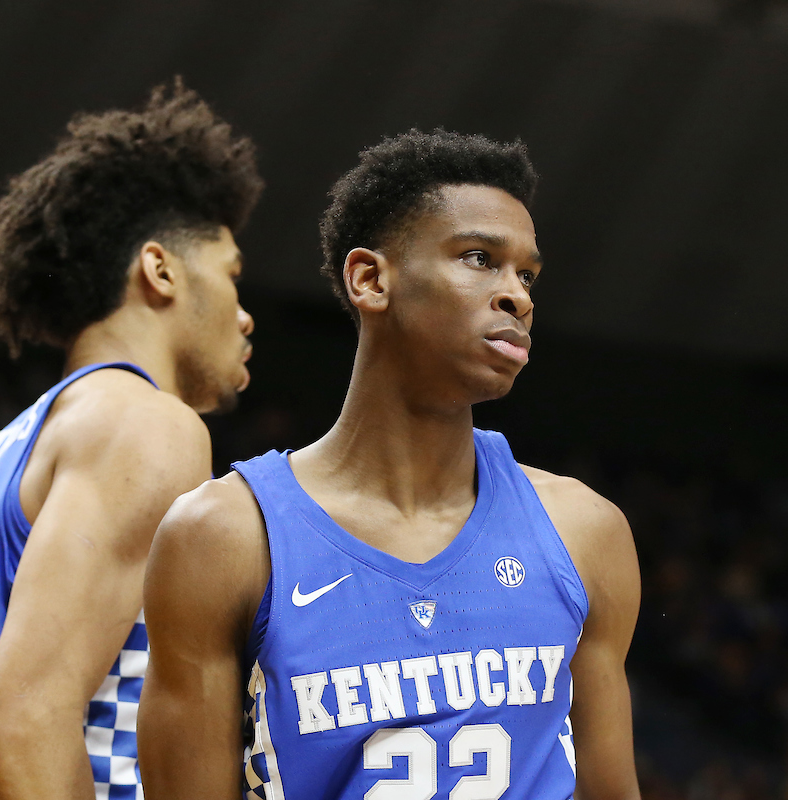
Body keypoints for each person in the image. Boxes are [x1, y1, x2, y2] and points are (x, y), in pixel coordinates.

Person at [138, 129, 641, 799]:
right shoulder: (222, 537)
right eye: (478, 258)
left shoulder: (586, 532)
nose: (516, 296)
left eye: (526, 275)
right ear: (370, 279)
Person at [0, 81, 262, 800]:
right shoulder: (146, 424)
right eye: (233, 276)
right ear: (160, 270)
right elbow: (19, 723)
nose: (246, 315)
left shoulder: (10, 446)